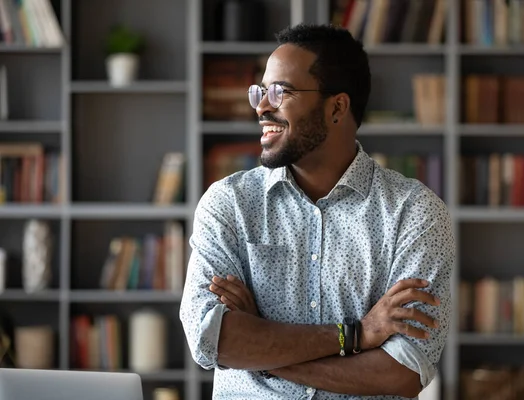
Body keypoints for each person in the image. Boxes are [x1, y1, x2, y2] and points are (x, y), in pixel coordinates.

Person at [180, 23, 455, 399]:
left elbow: (401, 372)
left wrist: (261, 344)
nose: (262, 106)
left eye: (281, 91)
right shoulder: (228, 204)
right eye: (261, 91)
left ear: (337, 107)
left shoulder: (415, 214)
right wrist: (356, 335)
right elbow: (212, 341)